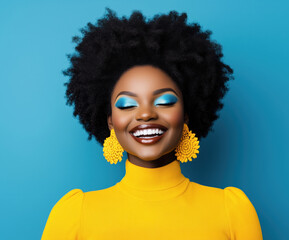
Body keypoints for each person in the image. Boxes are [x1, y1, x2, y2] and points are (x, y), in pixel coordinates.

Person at [41, 8, 263, 239]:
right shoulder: (74, 214)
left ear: (186, 115)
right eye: (127, 105)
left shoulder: (232, 211)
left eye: (165, 101)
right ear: (110, 122)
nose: (145, 114)